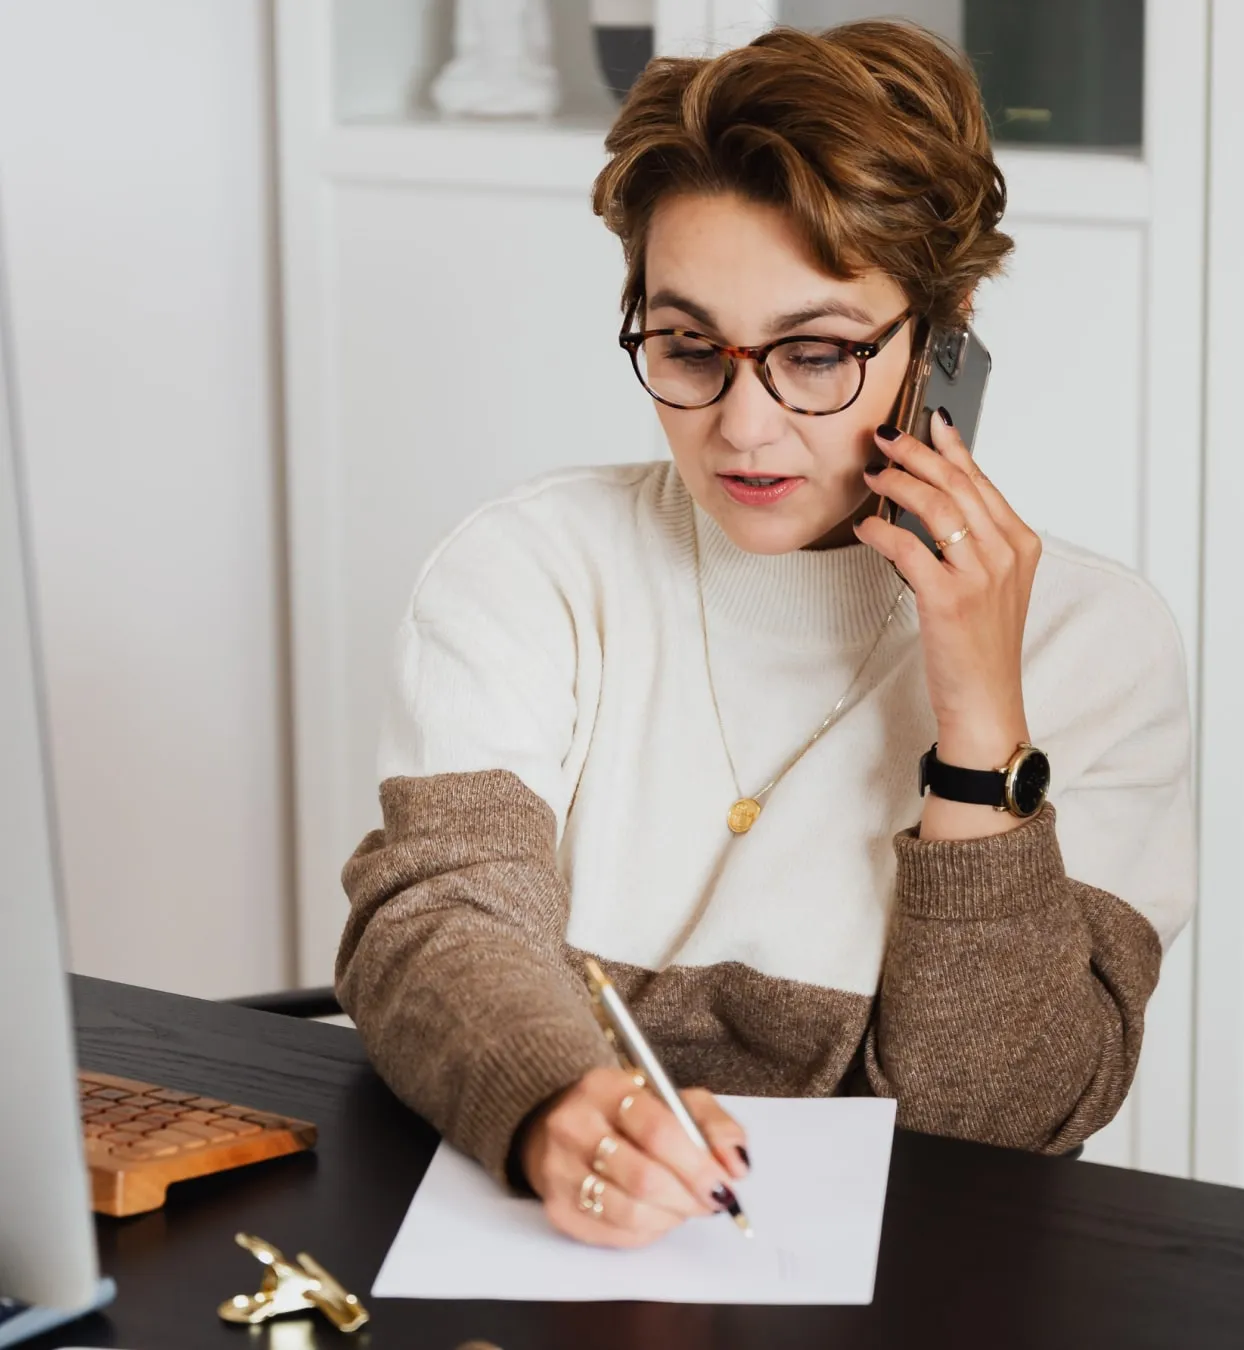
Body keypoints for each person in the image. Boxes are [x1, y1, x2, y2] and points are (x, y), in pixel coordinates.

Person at [336, 19, 1195, 1249]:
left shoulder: (1097, 645)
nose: (743, 428)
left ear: (946, 341)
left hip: (933, 1284)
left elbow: (1000, 1117)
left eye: (819, 353)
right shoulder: (530, 566)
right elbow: (434, 915)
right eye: (689, 346)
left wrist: (979, 723)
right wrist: (559, 1108)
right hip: (560, 1250)